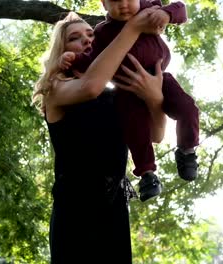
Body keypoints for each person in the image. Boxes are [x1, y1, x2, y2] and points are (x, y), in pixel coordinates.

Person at [33, 10, 166, 263]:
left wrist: (154, 98)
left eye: (91, 34)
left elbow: (157, 135)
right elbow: (90, 87)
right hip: (75, 214)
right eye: (75, 37)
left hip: (114, 211)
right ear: (63, 51)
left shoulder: (118, 97)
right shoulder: (57, 90)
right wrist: (133, 27)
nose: (87, 39)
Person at [60, 0, 200, 202]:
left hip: (162, 79)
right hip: (125, 90)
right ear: (104, 4)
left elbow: (180, 8)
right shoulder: (102, 33)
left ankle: (187, 150)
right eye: (115, 0)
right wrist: (72, 59)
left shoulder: (150, 10)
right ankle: (147, 174)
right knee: (136, 131)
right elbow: (93, 61)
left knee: (188, 109)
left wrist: (167, 15)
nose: (124, 4)